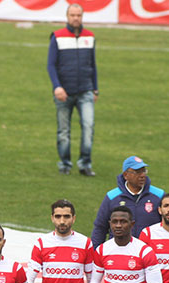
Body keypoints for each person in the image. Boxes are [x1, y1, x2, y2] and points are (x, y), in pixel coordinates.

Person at [47, 3, 98, 176]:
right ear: (67, 17)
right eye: (72, 15)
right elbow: (51, 65)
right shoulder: (57, 37)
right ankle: (65, 164)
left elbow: (93, 65)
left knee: (88, 127)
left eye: (78, 15)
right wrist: (57, 87)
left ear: (82, 17)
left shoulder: (89, 37)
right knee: (63, 131)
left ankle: (85, 164)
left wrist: (95, 89)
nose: (76, 18)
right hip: (64, 92)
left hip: (85, 91)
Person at [91, 156, 164, 248]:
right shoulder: (112, 197)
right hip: (119, 253)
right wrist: (94, 253)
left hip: (150, 253)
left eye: (144, 171)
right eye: (137, 172)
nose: (142, 175)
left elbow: (168, 226)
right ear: (126, 175)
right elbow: (100, 227)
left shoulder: (158, 195)